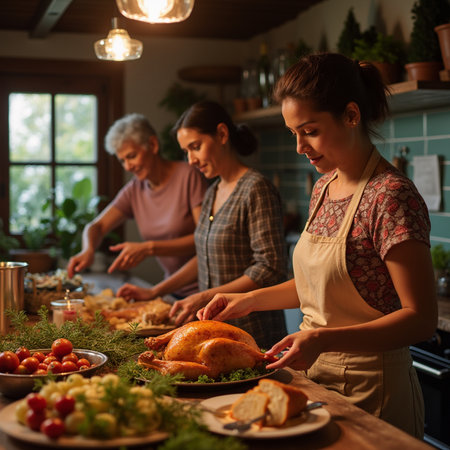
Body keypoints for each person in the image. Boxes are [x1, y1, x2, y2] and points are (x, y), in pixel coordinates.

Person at [197, 53, 437, 438]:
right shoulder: (324, 187)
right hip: (313, 381)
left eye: (309, 131)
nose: (299, 146)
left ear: (352, 115)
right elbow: (317, 286)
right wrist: (249, 300)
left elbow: (420, 318)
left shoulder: (390, 196)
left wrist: (323, 339)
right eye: (294, 132)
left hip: (373, 390)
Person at [118, 100, 287, 349]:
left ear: (221, 134)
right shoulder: (213, 191)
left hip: (252, 332)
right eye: (186, 151)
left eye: (195, 147)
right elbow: (204, 256)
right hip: (216, 332)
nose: (191, 160)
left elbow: (269, 268)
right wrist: (154, 292)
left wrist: (206, 296)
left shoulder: (255, 188)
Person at [67, 113, 207, 298]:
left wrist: (148, 248)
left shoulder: (189, 176)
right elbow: (97, 226)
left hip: (204, 290)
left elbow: (205, 240)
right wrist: (88, 249)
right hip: (172, 291)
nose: (127, 166)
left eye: (131, 156)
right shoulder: (134, 190)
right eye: (122, 160)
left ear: (153, 145)